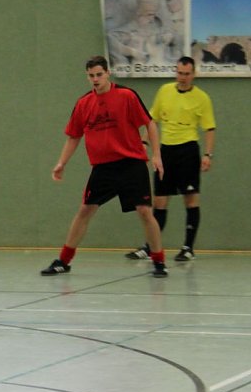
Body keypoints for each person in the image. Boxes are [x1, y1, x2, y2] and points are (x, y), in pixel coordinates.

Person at [41, 56, 169, 278]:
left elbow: (149, 123)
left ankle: (159, 261)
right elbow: (73, 136)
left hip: (131, 163)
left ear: (108, 73)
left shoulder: (126, 96)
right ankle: (64, 260)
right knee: (85, 210)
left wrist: (156, 155)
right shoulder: (83, 104)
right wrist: (62, 162)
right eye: (91, 76)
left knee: (145, 212)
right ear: (87, 77)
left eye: (99, 75)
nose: (95, 79)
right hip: (103, 168)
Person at [125, 57, 216, 262]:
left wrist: (208, 155)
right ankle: (150, 247)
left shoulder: (202, 98)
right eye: (180, 73)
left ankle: (188, 248)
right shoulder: (164, 91)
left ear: (193, 74)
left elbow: (210, 128)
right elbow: (152, 120)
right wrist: (144, 144)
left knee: (190, 199)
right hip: (166, 151)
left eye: (187, 74)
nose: (182, 77)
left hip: (188, 151)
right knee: (159, 201)